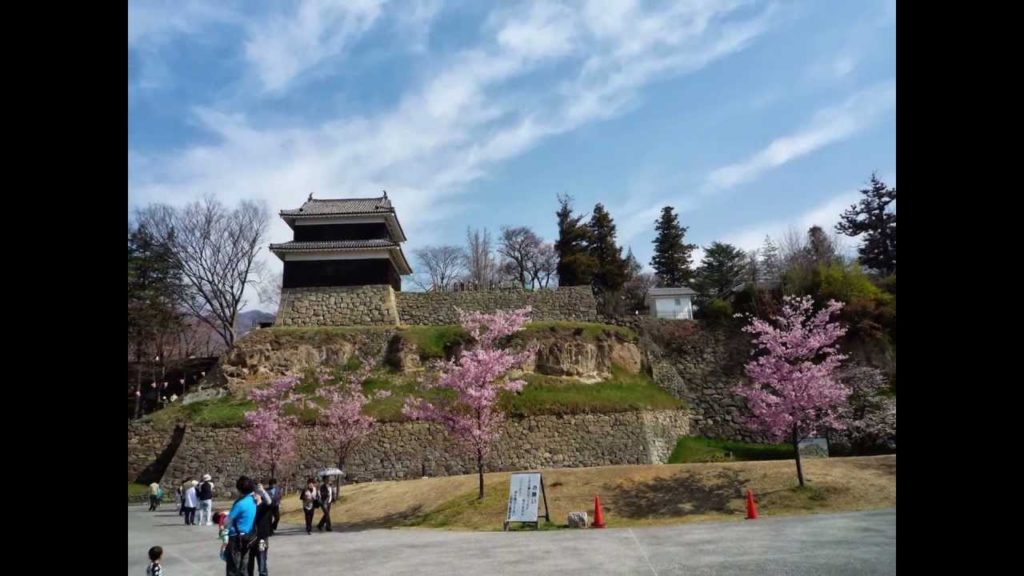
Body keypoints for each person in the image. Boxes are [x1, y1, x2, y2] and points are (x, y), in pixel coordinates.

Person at [224, 476, 258, 576]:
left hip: (235, 538)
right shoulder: (253, 501)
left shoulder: (240, 504)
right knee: (244, 566)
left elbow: (227, 521)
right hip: (248, 537)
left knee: (233, 568)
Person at [248, 489, 273, 576]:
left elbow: (270, 502)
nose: (254, 495)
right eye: (253, 493)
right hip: (250, 539)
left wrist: (263, 491)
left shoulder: (264, 506)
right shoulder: (250, 507)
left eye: (256, 493)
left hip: (262, 539)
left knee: (262, 562)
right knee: (249, 565)